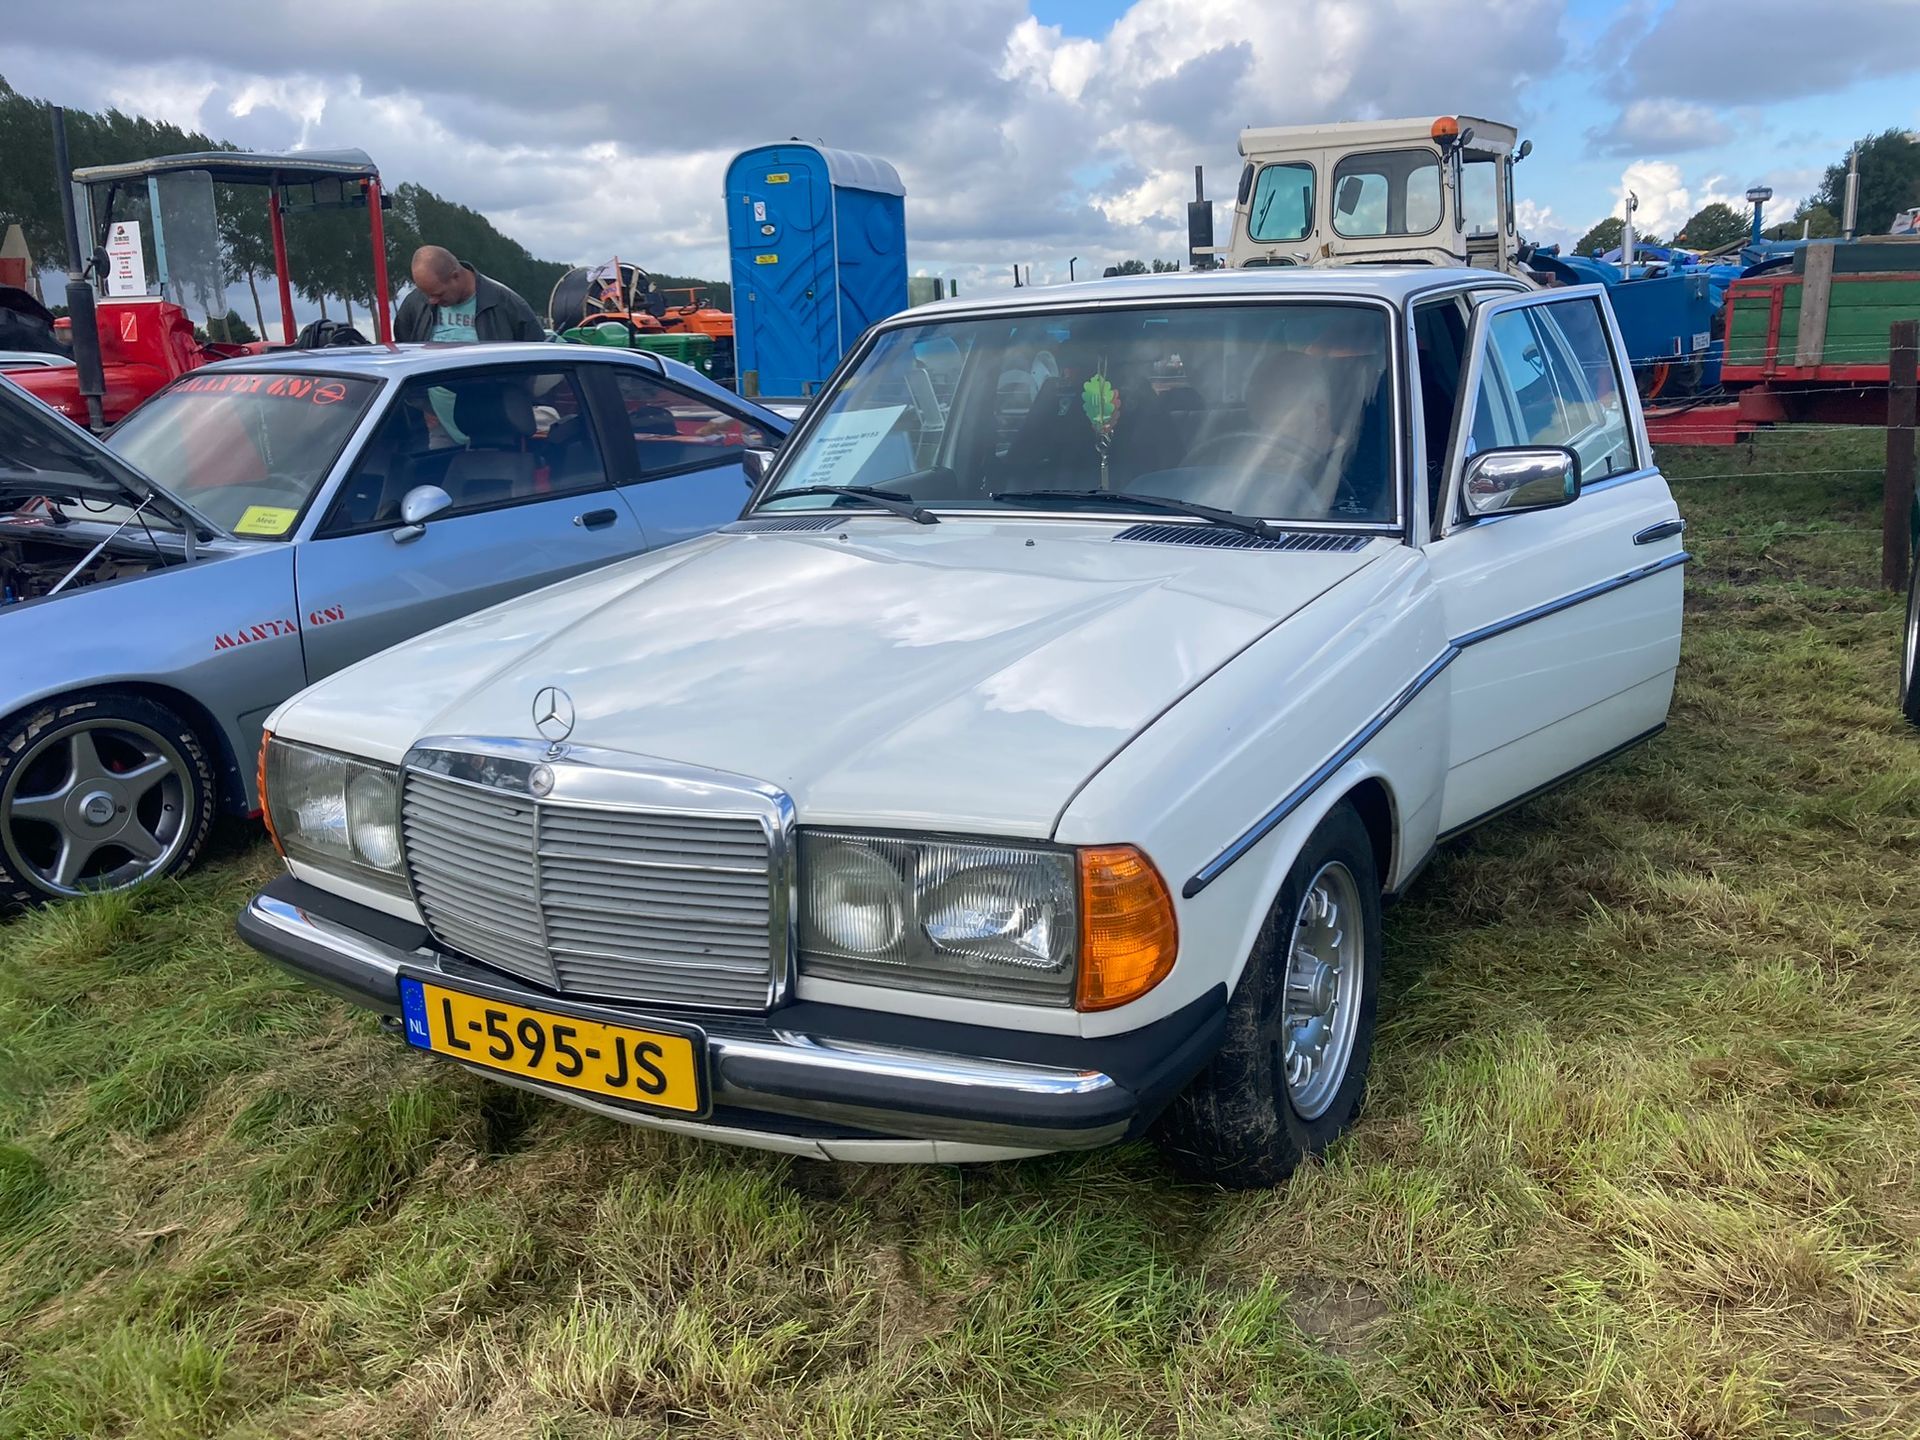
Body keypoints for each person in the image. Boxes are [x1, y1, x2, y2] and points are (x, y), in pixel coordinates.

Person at [393, 245, 546, 344]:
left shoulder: (506, 304)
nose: (432, 301)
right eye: (426, 294)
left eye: (438, 294)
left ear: (455, 276)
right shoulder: (414, 304)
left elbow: (537, 358)